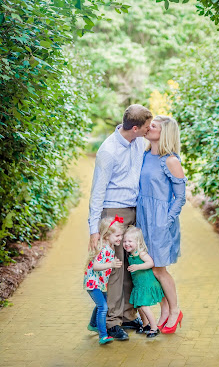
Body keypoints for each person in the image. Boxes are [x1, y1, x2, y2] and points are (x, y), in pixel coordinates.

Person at [88, 104, 153, 340]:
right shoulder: (108, 151)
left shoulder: (137, 141)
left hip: (134, 209)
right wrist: (94, 229)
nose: (149, 130)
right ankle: (111, 321)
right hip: (113, 211)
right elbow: (97, 191)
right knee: (114, 268)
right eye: (146, 127)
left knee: (129, 266)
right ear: (135, 128)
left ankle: (127, 315)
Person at [136, 115, 187, 334]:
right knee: (151, 268)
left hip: (161, 222)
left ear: (164, 133)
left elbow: (180, 198)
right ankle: (164, 310)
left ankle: (175, 311)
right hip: (143, 219)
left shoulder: (171, 161)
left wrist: (164, 221)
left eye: (153, 126)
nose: (148, 128)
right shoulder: (145, 155)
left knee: (159, 269)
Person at [84, 216, 124, 345]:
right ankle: (103, 335)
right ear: (107, 235)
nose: (120, 238)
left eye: (121, 235)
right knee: (103, 307)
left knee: (101, 304)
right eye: (117, 235)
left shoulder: (109, 247)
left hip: (99, 283)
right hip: (93, 283)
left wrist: (112, 263)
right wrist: (111, 264)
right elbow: (95, 266)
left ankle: (92, 325)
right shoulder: (102, 248)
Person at [123, 226, 164, 338]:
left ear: (138, 242)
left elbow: (150, 263)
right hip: (139, 285)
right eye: (125, 241)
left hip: (146, 284)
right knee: (139, 305)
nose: (127, 244)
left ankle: (154, 328)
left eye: (130, 241)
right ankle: (145, 324)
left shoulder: (140, 253)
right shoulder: (131, 254)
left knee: (144, 306)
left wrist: (138, 266)